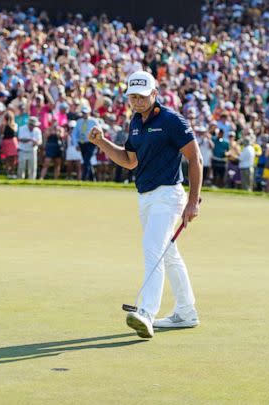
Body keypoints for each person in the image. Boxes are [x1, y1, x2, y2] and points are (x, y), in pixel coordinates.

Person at [87, 71, 202, 339]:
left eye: (142, 96)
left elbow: (194, 158)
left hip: (169, 195)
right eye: (133, 97)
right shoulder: (135, 123)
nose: (137, 101)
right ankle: (186, 311)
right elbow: (129, 161)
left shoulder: (172, 120)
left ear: (154, 93)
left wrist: (193, 201)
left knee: (152, 249)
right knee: (168, 254)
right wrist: (102, 142)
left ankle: (146, 313)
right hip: (146, 197)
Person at [71, 105, 98, 180]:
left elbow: (99, 132)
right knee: (87, 161)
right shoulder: (79, 121)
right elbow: (74, 134)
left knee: (86, 161)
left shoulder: (94, 121)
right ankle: (92, 179)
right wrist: (76, 144)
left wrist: (97, 142)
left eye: (86, 113)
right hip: (82, 144)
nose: (84, 114)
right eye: (83, 113)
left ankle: (83, 178)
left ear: (89, 113)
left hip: (91, 143)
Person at [0, 110, 19, 179]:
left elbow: (15, 131)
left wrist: (9, 123)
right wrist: (4, 123)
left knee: (13, 159)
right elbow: (1, 132)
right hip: (6, 142)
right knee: (7, 158)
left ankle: (12, 172)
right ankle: (8, 173)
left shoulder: (14, 125)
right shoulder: (3, 125)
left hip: (12, 142)